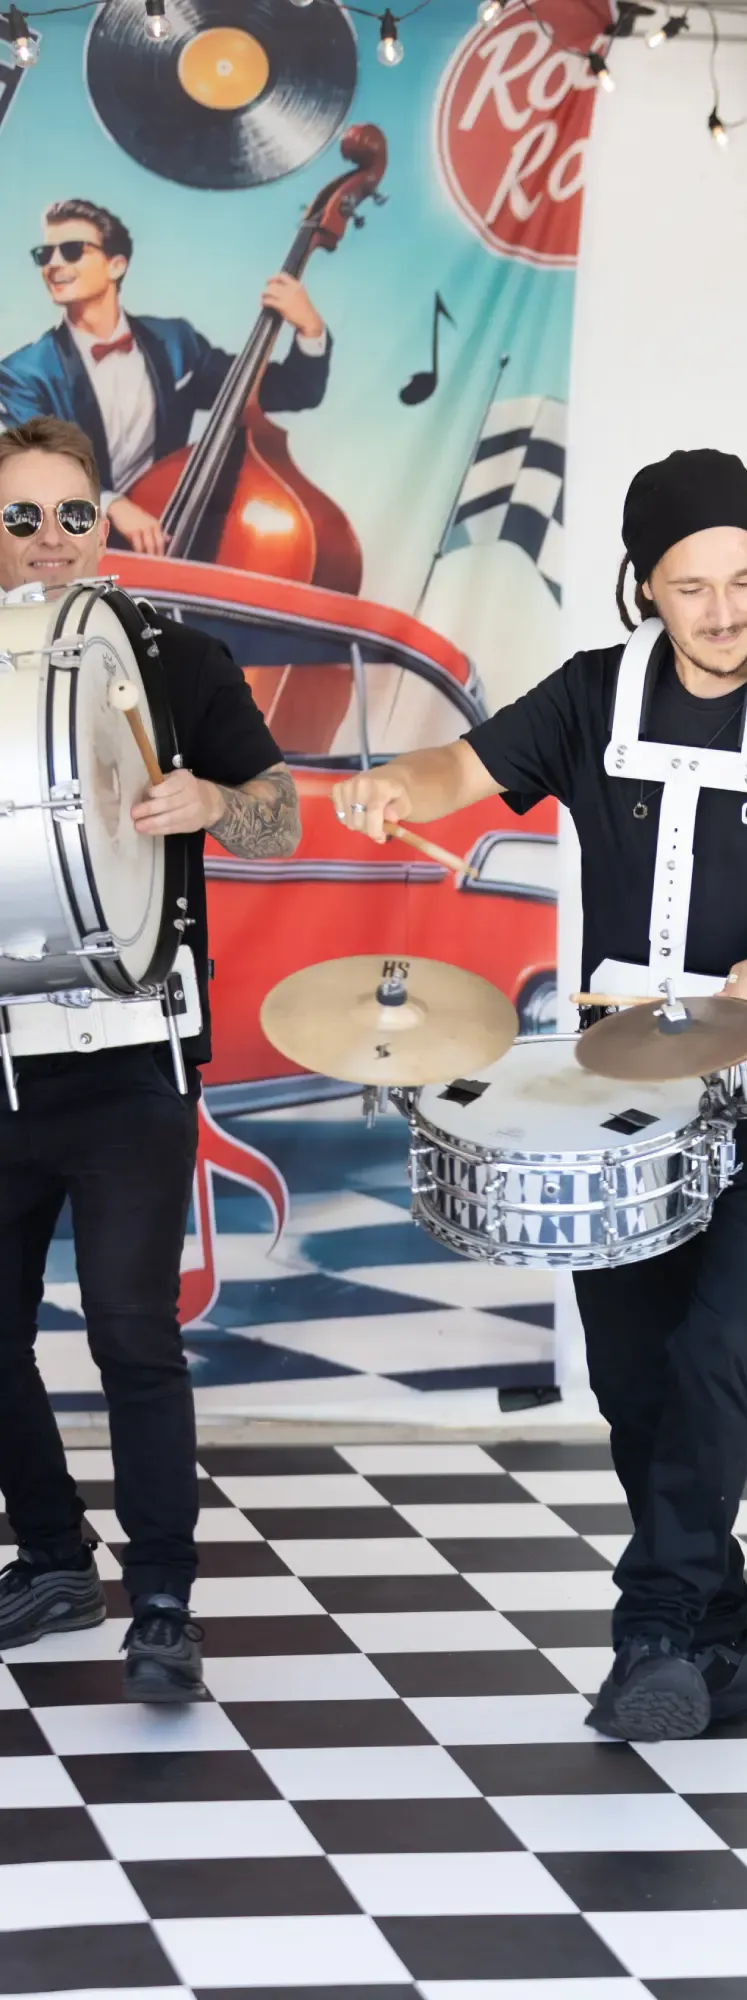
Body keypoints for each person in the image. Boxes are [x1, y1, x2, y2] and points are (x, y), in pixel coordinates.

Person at [333, 449, 747, 1740]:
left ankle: (655, 1630)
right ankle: (720, 1641)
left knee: (724, 1341)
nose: (724, 612)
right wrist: (403, 784)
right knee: (632, 1367)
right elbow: (468, 768)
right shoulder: (592, 695)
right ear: (642, 587)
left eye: (744, 580)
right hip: (618, 1069)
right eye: (691, 587)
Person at [0, 416, 301, 1698]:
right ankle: (58, 1555)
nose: (52, 541)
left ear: (107, 519)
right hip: (3, 1063)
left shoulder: (175, 655)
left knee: (133, 1330)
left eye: (75, 513)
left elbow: (281, 818)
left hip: (132, 1056)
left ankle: (163, 1602)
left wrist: (213, 804)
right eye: (22, 517)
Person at [0, 199, 330, 555]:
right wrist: (111, 505)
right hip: (74, 549)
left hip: (169, 538)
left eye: (71, 251)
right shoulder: (23, 372)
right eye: (44, 255)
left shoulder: (176, 345)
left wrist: (310, 328)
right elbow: (37, 467)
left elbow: (291, 391)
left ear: (116, 265)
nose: (54, 264)